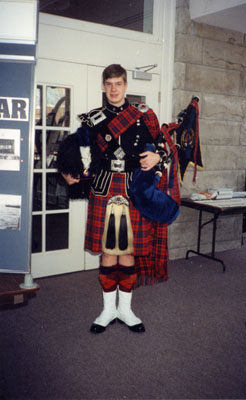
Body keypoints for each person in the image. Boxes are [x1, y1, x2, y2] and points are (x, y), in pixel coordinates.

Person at [60, 64, 175, 334]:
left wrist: (160, 156)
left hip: (134, 188)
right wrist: (70, 170)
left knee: (129, 252)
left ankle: (125, 310)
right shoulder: (94, 119)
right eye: (109, 84)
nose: (113, 89)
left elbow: (165, 145)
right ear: (103, 86)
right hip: (104, 188)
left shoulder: (145, 116)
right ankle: (108, 310)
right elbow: (75, 146)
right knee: (109, 252)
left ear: (126, 86)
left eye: (118, 84)